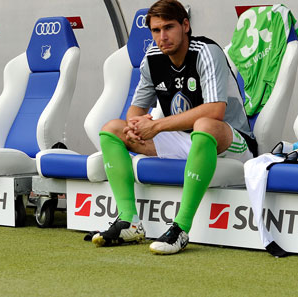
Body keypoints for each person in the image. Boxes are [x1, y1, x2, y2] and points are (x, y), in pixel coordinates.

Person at [92, 0, 256, 255]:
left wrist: (157, 125)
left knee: (204, 124)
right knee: (112, 128)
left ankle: (180, 229)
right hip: (183, 140)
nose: (162, 36)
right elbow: (135, 111)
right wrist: (137, 125)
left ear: (185, 25)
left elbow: (215, 111)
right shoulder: (153, 59)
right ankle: (129, 221)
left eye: (169, 27)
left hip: (229, 141)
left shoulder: (206, 51)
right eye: (156, 30)